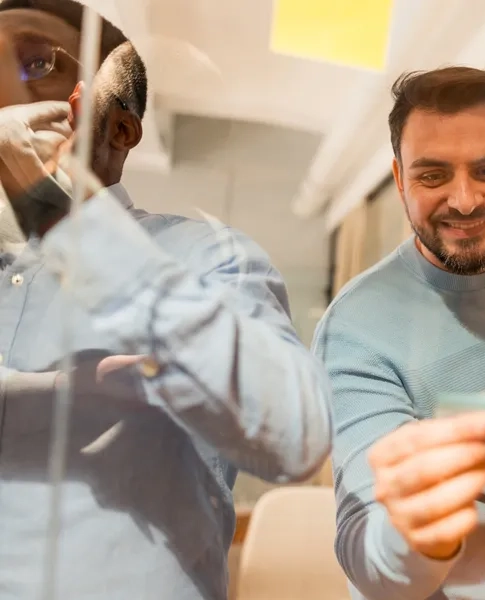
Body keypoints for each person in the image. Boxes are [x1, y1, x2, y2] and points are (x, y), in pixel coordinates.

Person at [0, 2, 332, 599]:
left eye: (37, 64)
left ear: (121, 130)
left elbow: (293, 435)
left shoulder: (210, 258)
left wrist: (59, 214)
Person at [313, 66, 485, 599]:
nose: (465, 200)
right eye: (433, 176)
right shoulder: (356, 325)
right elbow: (368, 551)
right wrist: (415, 533)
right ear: (400, 179)